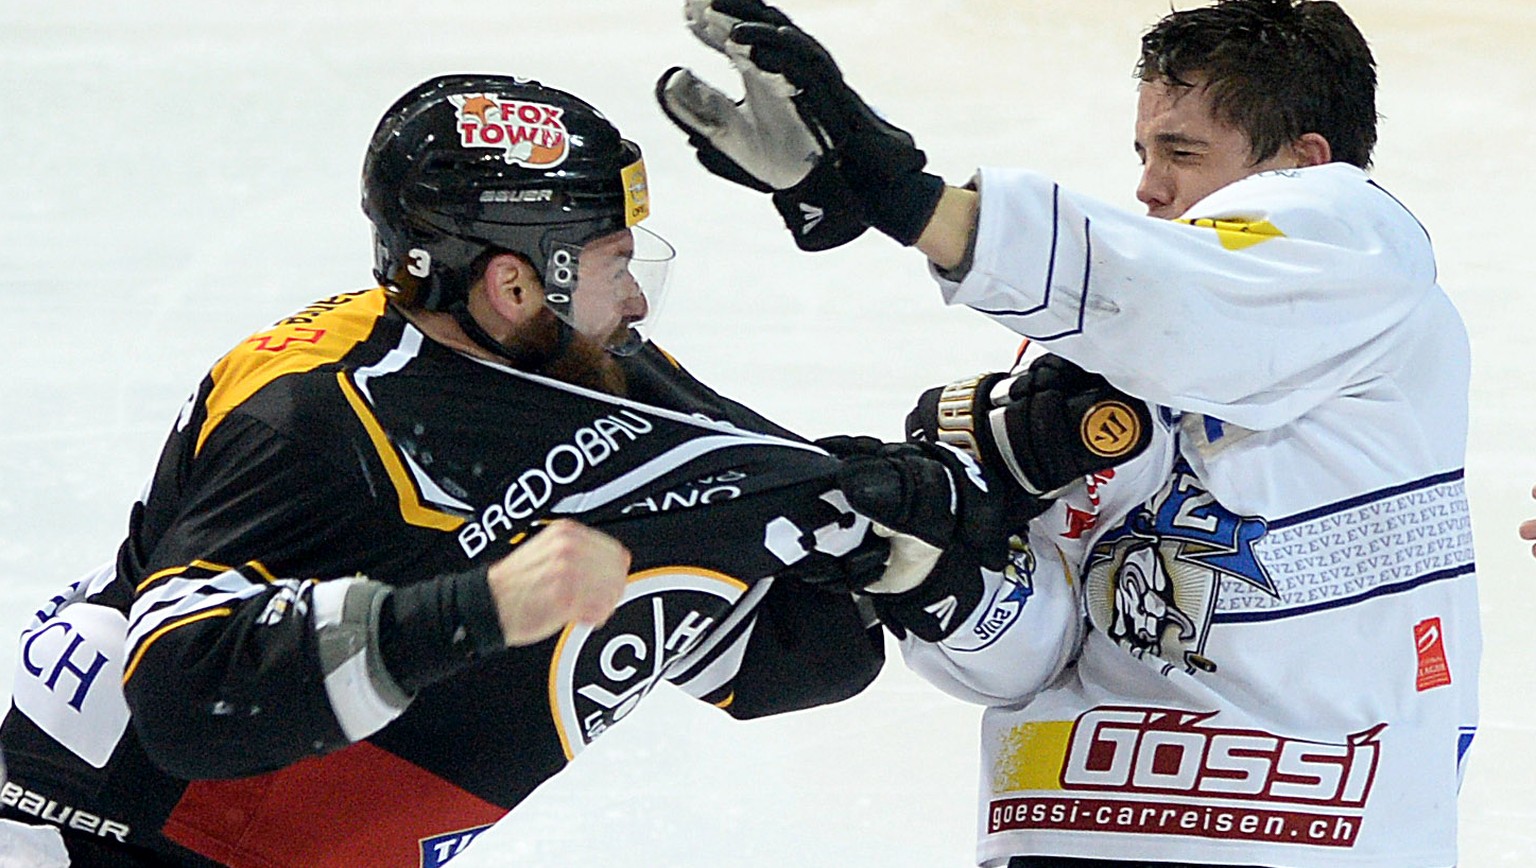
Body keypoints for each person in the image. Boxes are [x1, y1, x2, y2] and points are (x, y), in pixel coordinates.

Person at [0, 73, 1143, 868]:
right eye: (611, 263)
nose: (638, 296)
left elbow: (800, 658)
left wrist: (885, 528)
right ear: (511, 283)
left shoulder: (610, 372)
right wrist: (484, 608)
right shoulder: (309, 418)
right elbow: (189, 703)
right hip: (97, 833)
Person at [661, 1, 1480, 866]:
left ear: (1304, 163)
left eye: (1183, 152)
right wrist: (938, 576)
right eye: (1144, 153)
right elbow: (1031, 657)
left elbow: (1183, 306)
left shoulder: (1357, 244)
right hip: (1065, 827)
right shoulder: (1088, 329)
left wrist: (906, 200)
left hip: (1304, 833)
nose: (1148, 186)